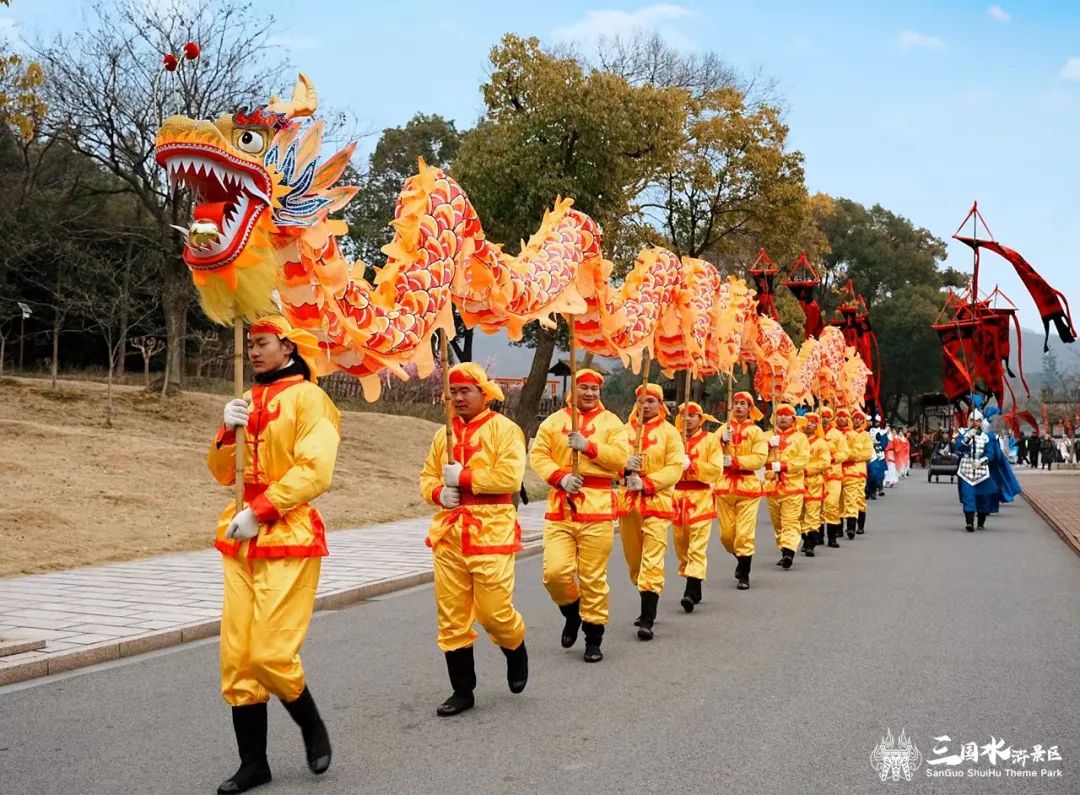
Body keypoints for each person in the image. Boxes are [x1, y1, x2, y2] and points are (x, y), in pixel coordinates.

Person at [209, 315, 338, 794]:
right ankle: (253, 764)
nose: (254, 352)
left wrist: (262, 510)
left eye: (262, 343)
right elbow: (223, 474)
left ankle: (310, 722)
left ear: (286, 346)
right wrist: (225, 431)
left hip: (288, 532)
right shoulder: (245, 399)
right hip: (240, 535)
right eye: (251, 345)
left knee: (269, 652)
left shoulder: (311, 399)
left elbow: (316, 469)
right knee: (238, 656)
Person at [419, 363, 528, 717]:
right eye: (453, 392)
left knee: (494, 614)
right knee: (451, 617)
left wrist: (463, 477)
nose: (458, 398)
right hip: (449, 534)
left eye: (466, 391)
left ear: (485, 393)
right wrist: (438, 492)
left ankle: (514, 646)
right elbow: (426, 477)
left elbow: (509, 477)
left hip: (491, 531)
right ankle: (462, 690)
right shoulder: (443, 435)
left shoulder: (506, 430)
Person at [529, 369, 629, 663]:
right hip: (561, 507)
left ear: (600, 392)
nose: (588, 393)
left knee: (593, 577)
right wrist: (559, 477)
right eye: (583, 387)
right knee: (554, 574)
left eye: (594, 389)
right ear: (574, 390)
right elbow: (538, 455)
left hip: (597, 507)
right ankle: (572, 611)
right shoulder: (555, 421)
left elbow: (621, 459)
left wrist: (589, 447)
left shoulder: (612, 423)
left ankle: (593, 637)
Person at [618, 383, 685, 639]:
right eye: (641, 401)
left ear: (660, 405)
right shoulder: (622, 432)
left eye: (651, 401)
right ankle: (645, 593)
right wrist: (623, 469)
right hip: (628, 504)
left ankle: (648, 616)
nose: (645, 406)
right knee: (634, 560)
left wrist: (647, 483)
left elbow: (675, 467)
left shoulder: (670, 434)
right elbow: (610, 460)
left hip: (657, 504)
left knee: (652, 559)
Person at [670, 401, 723, 612]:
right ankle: (695, 583)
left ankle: (690, 591)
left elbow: (716, 470)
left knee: (697, 547)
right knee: (681, 546)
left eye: (692, 415)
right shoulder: (674, 439)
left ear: (701, 419)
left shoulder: (710, 441)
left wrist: (692, 465)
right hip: (677, 498)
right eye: (683, 414)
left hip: (700, 497)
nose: (687, 419)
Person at [715, 391, 768, 589]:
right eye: (735, 403)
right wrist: (720, 441)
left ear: (749, 408)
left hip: (748, 488)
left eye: (743, 404)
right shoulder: (722, 429)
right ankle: (740, 557)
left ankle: (744, 574)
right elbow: (708, 452)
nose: (738, 407)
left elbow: (760, 458)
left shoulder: (756, 432)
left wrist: (736, 461)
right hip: (725, 488)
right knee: (727, 536)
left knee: (744, 534)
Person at [953, 409, 1021, 531]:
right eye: (972, 420)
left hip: (982, 470)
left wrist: (981, 461)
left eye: (978, 421)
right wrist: (967, 438)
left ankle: (981, 521)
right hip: (966, 470)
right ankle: (969, 522)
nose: (975, 423)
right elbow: (959, 448)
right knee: (968, 495)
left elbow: (991, 454)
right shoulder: (963, 434)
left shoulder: (987, 437)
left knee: (984, 498)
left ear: (981, 422)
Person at [764, 404, 809, 569]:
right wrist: (768, 446)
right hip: (772, 487)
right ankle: (784, 548)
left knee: (790, 520)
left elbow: (803, 459)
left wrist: (784, 466)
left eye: (786, 415)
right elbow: (758, 456)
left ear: (793, 418)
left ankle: (789, 551)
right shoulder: (766, 436)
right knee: (778, 523)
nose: (783, 417)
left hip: (793, 486)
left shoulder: (800, 438)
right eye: (779, 414)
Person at [838, 408, 873, 539]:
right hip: (840, 470)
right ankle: (839, 528)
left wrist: (849, 457)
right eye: (855, 418)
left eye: (860, 419)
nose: (857, 420)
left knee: (858, 498)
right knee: (840, 500)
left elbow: (867, 454)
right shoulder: (844, 433)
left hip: (858, 471)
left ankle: (859, 526)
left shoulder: (865, 436)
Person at [799, 411, 830, 557]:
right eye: (807, 421)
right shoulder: (797, 440)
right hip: (796, 482)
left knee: (812, 513)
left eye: (812, 422)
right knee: (799, 514)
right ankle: (804, 538)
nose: (809, 424)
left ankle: (810, 544)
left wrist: (808, 469)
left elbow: (824, 462)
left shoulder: (821, 442)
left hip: (814, 483)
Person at [820, 407, 849, 549]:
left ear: (832, 418)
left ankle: (832, 537)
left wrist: (832, 458)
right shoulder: (813, 434)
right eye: (821, 416)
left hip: (833, 475)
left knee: (832, 504)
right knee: (816, 505)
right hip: (816, 475)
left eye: (827, 416)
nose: (824, 419)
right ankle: (816, 536)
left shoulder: (837, 435)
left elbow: (845, 452)